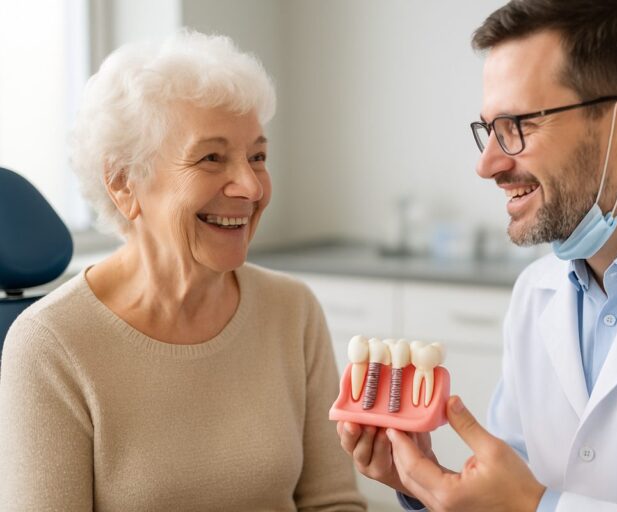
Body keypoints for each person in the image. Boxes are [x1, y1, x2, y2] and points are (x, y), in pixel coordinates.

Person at [338, 1, 617, 511]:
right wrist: (425, 485)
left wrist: (535, 506)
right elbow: (508, 486)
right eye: (489, 130)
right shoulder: (536, 291)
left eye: (516, 126)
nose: (487, 165)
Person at [0, 30, 366, 511]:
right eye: (211, 158)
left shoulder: (292, 309)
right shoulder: (51, 345)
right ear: (124, 182)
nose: (251, 187)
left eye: (257, 157)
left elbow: (332, 502)